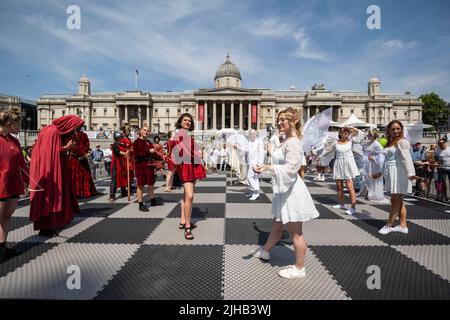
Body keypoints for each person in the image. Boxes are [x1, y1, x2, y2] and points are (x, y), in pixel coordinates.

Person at [252, 107, 319, 279]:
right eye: (278, 119)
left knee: (295, 232)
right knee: (277, 225)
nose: (279, 122)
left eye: (283, 119)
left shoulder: (294, 142)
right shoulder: (287, 140)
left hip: (291, 191)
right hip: (284, 190)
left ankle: (299, 268)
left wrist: (268, 167)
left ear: (294, 120)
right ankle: (265, 251)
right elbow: (281, 162)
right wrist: (266, 164)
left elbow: (291, 169)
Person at [29, 115, 83, 237]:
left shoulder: (55, 131)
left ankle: (57, 220)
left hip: (55, 167)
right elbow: (48, 154)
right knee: (49, 194)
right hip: (48, 170)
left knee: (57, 193)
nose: (75, 131)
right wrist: (67, 148)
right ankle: (45, 226)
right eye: (75, 128)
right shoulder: (52, 131)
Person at [378, 120, 418, 235]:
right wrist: (380, 173)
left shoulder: (402, 142)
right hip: (391, 172)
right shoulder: (390, 142)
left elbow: (407, 159)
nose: (396, 131)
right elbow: (386, 160)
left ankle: (388, 225)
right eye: (393, 129)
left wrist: (411, 174)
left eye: (398, 128)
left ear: (401, 129)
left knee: (395, 200)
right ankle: (403, 225)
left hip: (398, 172)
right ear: (389, 130)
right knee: (398, 200)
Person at [171, 113, 206, 240]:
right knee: (190, 196)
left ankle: (182, 221)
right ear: (180, 122)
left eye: (189, 121)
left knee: (186, 196)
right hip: (185, 166)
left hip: (192, 165)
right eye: (185, 120)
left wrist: (198, 153)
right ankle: (187, 227)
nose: (187, 122)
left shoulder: (187, 136)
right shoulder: (178, 135)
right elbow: (178, 152)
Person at [0, 107, 29, 259]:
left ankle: (2, 248)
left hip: (13, 183)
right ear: (9, 124)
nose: (20, 127)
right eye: (18, 124)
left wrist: (27, 179)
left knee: (6, 216)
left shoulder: (15, 141)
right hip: (1, 183)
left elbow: (21, 163)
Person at [320, 127, 361, 215]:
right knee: (339, 186)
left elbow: (360, 133)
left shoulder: (351, 141)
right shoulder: (336, 143)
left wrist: (349, 127)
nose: (346, 132)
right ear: (340, 133)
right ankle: (341, 204)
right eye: (343, 131)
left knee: (350, 186)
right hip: (338, 163)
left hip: (348, 164)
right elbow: (327, 150)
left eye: (347, 131)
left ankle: (353, 208)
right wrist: (318, 155)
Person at [133, 126, 164, 212]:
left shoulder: (149, 142)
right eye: (144, 130)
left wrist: (161, 158)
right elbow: (136, 155)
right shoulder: (136, 142)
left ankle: (153, 200)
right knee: (141, 185)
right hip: (141, 166)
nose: (146, 132)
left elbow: (153, 154)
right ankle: (140, 204)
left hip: (149, 165)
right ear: (140, 131)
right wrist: (148, 151)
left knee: (151, 184)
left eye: (147, 130)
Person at [67, 130, 98, 198]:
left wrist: (80, 154)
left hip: (76, 158)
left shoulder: (77, 135)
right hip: (77, 158)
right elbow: (86, 146)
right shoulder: (76, 135)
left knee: (77, 175)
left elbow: (85, 146)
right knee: (78, 175)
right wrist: (81, 154)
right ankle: (77, 192)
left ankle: (76, 192)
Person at [360, 128, 385, 201]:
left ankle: (374, 194)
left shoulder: (377, 144)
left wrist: (374, 158)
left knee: (373, 178)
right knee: (367, 177)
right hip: (368, 163)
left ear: (372, 135)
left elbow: (381, 153)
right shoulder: (368, 143)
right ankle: (368, 192)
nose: (367, 135)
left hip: (374, 164)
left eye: (369, 134)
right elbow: (365, 152)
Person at [109, 131, 131, 202]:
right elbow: (117, 151)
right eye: (121, 137)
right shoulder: (115, 144)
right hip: (116, 165)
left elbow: (128, 148)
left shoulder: (122, 144)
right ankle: (112, 195)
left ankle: (124, 192)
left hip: (122, 164)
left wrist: (128, 150)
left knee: (123, 178)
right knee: (114, 180)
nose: (122, 139)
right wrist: (125, 153)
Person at [246, 129, 264, 200]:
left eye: (253, 134)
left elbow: (261, 153)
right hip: (249, 162)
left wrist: (259, 163)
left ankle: (256, 192)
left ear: (256, 134)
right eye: (251, 134)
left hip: (255, 163)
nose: (252, 135)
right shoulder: (249, 142)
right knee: (254, 178)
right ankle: (252, 191)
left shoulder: (259, 142)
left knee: (249, 177)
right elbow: (246, 151)